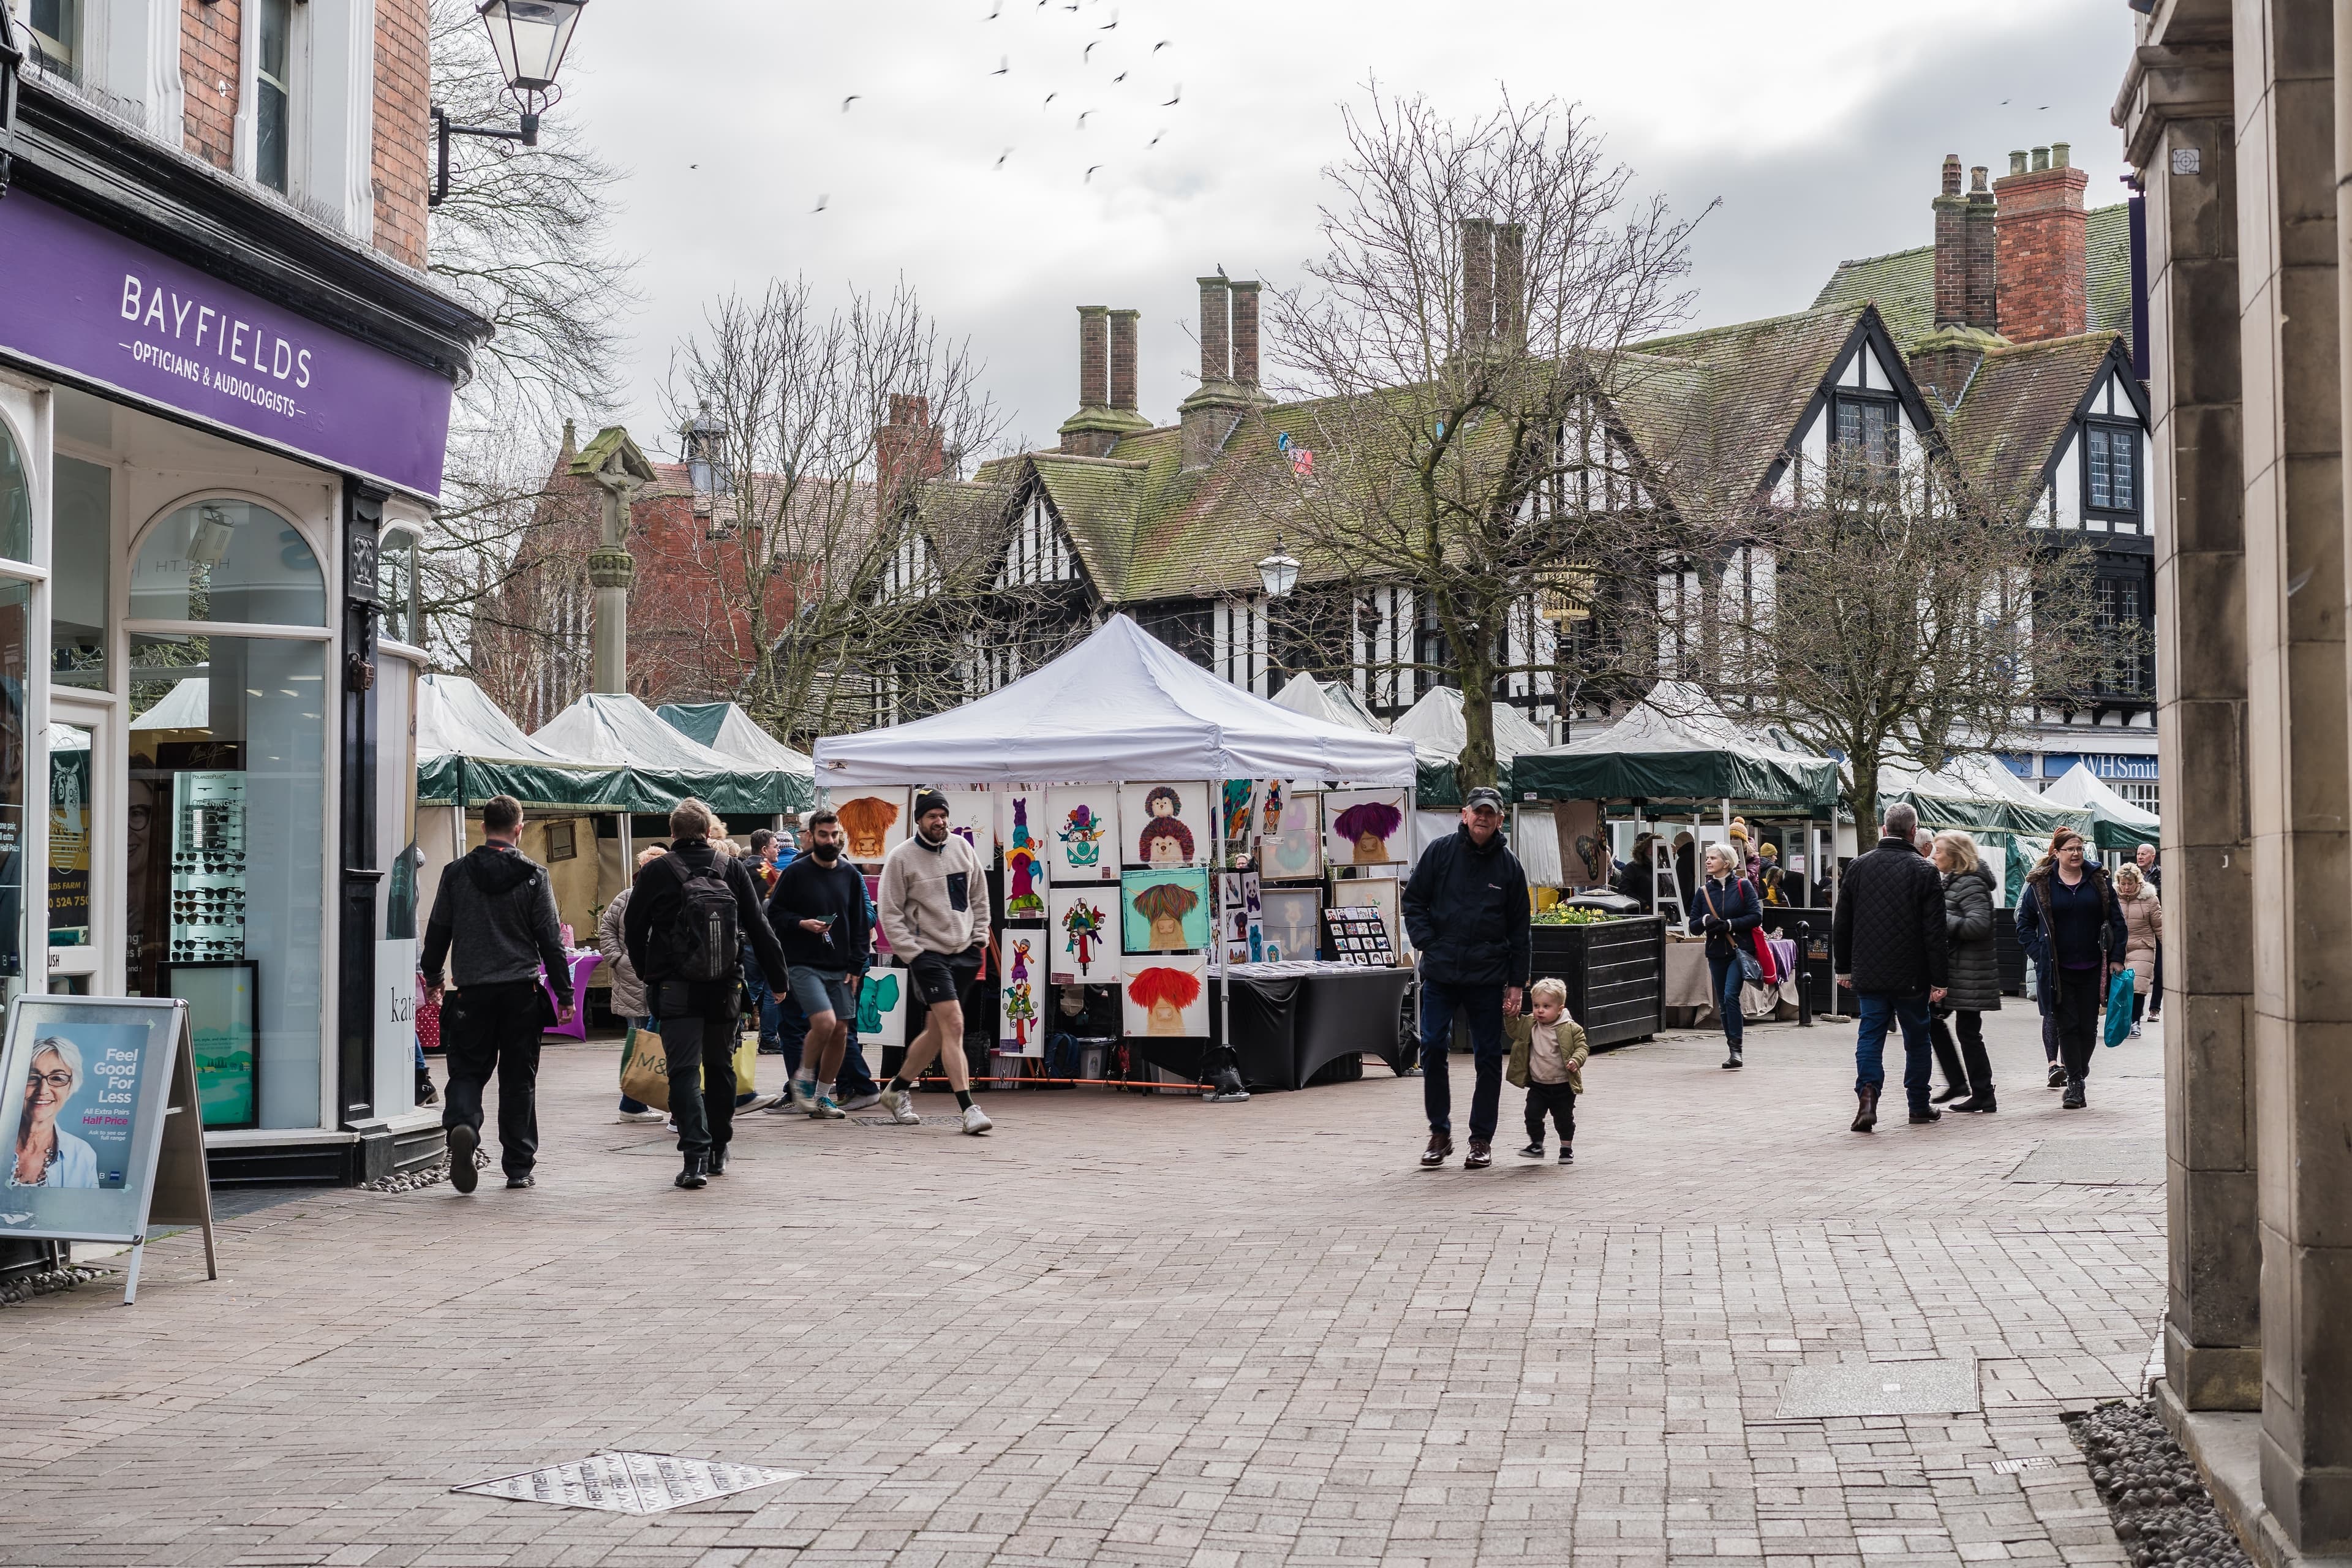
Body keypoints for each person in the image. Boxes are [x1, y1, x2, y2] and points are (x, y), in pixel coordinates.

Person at [624, 797, 791, 1188]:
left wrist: (650, 973)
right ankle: (719, 1148)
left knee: (683, 1070)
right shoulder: (730, 868)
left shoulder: (656, 872)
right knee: (719, 1067)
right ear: (707, 831)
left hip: (675, 986)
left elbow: (634, 929)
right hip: (724, 984)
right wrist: (778, 980)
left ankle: (694, 1157)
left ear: (672, 833)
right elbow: (759, 927)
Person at [421, 794, 571, 1193]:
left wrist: (434, 976)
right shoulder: (535, 876)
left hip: (471, 993)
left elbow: (438, 931)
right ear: (518, 829)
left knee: (467, 1071)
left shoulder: (455, 874)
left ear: (483, 826)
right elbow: (550, 940)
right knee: (518, 1079)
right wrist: (565, 993)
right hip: (521, 993)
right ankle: (518, 1167)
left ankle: (464, 1125)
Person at [1401, 786, 1532, 1170]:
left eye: (1491, 814)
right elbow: (1414, 901)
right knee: (1434, 1048)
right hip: (1442, 972)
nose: (1483, 818)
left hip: (1488, 974)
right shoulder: (1440, 852)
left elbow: (1521, 929)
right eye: (1478, 812)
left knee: (1488, 1057)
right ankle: (1439, 1134)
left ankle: (1481, 1139)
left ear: (1500, 820)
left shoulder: (1509, 866)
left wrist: (1516, 983)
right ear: (1464, 814)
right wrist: (1429, 944)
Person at [875, 790, 995, 1136]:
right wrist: (913, 954)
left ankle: (896, 1090)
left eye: (942, 814)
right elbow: (890, 913)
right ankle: (969, 1108)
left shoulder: (962, 848)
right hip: (928, 957)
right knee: (954, 1024)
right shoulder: (901, 858)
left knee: (936, 1031)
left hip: (965, 953)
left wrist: (979, 938)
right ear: (918, 820)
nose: (939, 821)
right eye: (931, 816)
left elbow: (979, 896)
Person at [1832, 801, 1949, 1132]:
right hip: (1912, 974)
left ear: (1884, 829)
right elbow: (1935, 932)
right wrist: (1940, 979)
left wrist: (1843, 967)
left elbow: (1843, 922)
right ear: (1913, 832)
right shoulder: (1925, 871)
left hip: (1869, 971)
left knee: (1870, 1034)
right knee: (1917, 1038)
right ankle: (1918, 1104)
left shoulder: (1858, 866)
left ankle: (1868, 1097)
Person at [767, 809, 873, 1119]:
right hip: (803, 963)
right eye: (824, 835)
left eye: (835, 834)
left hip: (841, 966)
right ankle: (802, 1078)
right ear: (811, 836)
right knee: (825, 1023)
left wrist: (857, 964)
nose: (831, 840)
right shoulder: (797, 872)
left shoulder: (850, 875)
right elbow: (774, 914)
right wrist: (801, 923)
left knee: (840, 1031)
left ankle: (823, 1097)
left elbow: (860, 923)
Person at [2014, 827, 2127, 1110]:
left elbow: (2117, 922)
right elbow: (2024, 923)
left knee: (2088, 1027)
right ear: (2056, 853)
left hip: (2093, 966)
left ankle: (2079, 1068)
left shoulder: (2098, 881)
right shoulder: (2042, 883)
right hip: (2057, 969)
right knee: (2067, 1024)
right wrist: (2038, 953)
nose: (2076, 853)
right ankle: (2076, 1084)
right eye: (2070, 849)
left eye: (2080, 848)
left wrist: (2116, 957)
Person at [1927, 831, 2000, 1113]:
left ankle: (1981, 1092)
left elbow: (1979, 925)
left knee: (1968, 1032)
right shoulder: (1956, 881)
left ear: (1956, 855)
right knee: (1937, 1022)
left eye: (1939, 851)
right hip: (1960, 970)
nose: (1934, 856)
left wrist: (1940, 918)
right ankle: (1964, 1085)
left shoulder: (1970, 883)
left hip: (1970, 972)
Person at [600, 845, 668, 1124]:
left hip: (655, 975)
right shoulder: (625, 897)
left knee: (651, 1038)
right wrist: (618, 959)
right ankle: (633, 1095)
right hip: (632, 976)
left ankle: (638, 1097)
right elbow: (607, 928)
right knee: (637, 1036)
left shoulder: (664, 896)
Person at [1687, 842, 1763, 1070]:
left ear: (1727, 863)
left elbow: (1756, 916)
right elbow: (1693, 926)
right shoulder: (1703, 892)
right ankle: (1732, 1049)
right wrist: (1705, 921)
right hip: (1716, 952)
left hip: (1739, 951)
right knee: (1722, 1000)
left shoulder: (1743, 886)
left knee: (1731, 995)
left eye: (1713, 858)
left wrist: (1729, 924)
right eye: (1707, 858)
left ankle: (1737, 1051)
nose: (1708, 861)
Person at [1507, 977, 1587, 1164]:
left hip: (1563, 1086)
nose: (1540, 1010)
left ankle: (1566, 1148)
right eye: (1536, 1005)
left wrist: (1576, 1060)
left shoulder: (1571, 1028)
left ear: (1560, 1009)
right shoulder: (1530, 1024)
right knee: (1532, 1114)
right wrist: (1510, 1016)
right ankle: (1536, 1144)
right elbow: (1514, 1032)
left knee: (1563, 1119)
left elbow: (1582, 1047)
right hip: (1538, 1084)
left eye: (1546, 1006)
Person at [10, 1038, 98, 1189]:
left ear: (70, 1087)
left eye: (57, 1078)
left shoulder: (82, 1155)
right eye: (32, 1077)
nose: (42, 1090)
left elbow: (90, 1211)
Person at [2115, 861, 2163, 1038]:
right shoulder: (2113, 898)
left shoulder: (2150, 899)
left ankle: (2135, 1022)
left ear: (2138, 882)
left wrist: (2171, 948)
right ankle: (2122, 1021)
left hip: (2143, 946)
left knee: (2137, 985)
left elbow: (2159, 925)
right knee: (2119, 988)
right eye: (2123, 883)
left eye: (2130, 883)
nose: (2126, 888)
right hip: (2119, 947)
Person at [2136, 843, 2162, 1021]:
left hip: (2158, 925)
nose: (2140, 857)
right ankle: (2138, 1006)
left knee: (2160, 970)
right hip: (2139, 928)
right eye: (2138, 854)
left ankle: (2155, 1009)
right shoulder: (2132, 874)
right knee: (2139, 971)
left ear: (2152, 856)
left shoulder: (2162, 875)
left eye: (2144, 854)